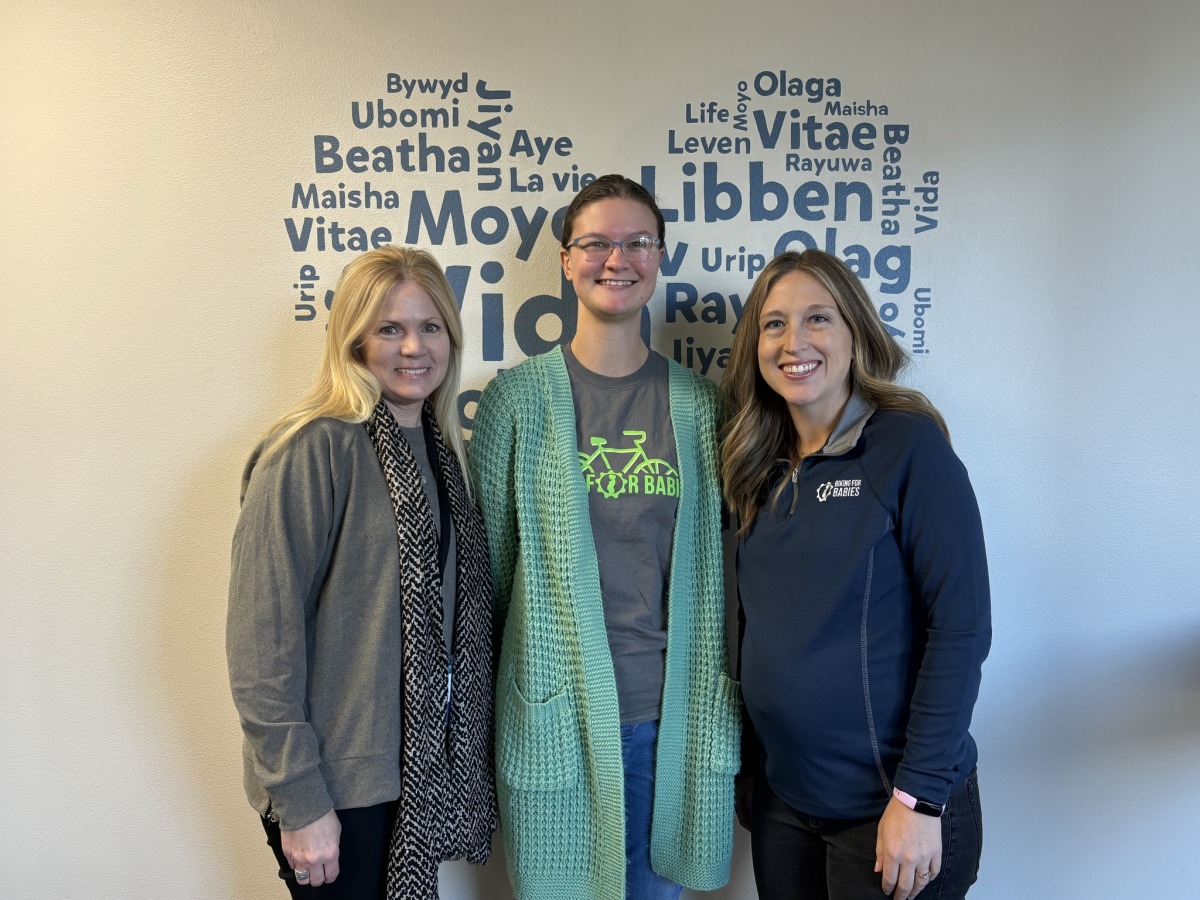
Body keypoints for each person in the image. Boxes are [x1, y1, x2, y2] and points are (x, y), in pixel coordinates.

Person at [469, 174, 739, 900]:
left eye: (637, 242)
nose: (616, 259)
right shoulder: (515, 402)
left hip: (669, 720)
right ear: (566, 260)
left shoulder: (702, 407)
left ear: (660, 257)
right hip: (553, 715)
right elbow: (490, 579)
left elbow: (725, 570)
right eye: (596, 243)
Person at [226, 245, 495, 899]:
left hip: (415, 777)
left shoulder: (442, 452)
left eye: (430, 327)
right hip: (335, 789)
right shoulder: (310, 449)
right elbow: (262, 647)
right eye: (390, 329)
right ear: (354, 341)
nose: (414, 347)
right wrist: (300, 800)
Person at [720, 249, 990, 900]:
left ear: (855, 332)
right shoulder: (756, 462)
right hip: (785, 801)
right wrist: (753, 765)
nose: (794, 341)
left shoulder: (906, 445)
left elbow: (960, 629)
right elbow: (757, 625)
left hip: (890, 807)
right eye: (775, 324)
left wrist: (919, 799)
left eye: (818, 318)